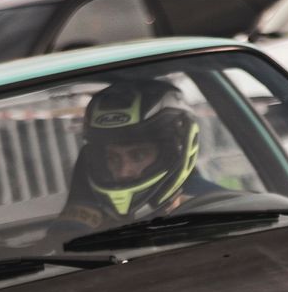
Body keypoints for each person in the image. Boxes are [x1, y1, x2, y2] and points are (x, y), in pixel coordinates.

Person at [61, 80, 221, 228]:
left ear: (172, 154)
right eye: (112, 158)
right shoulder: (82, 227)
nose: (124, 172)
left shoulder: (219, 209)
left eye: (138, 156)